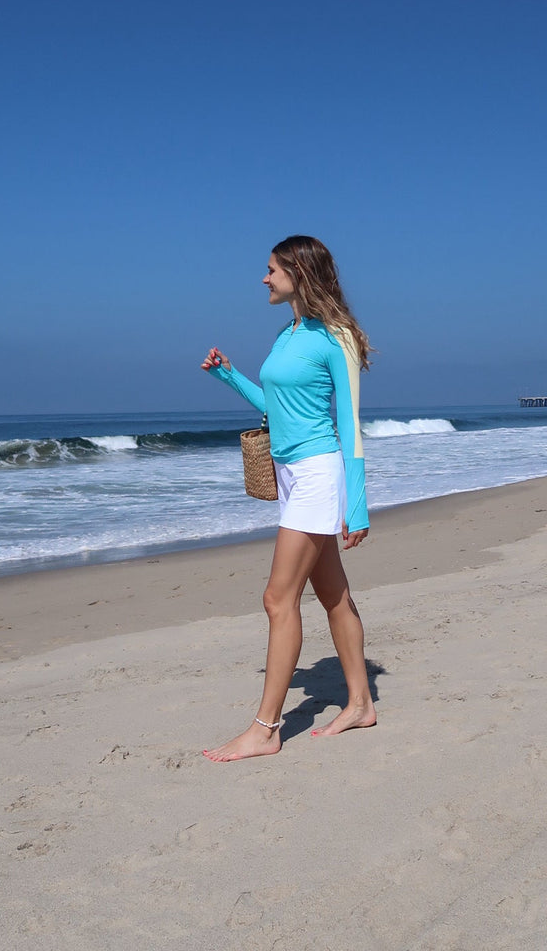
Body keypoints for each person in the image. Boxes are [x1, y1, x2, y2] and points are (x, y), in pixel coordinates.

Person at [200, 235, 376, 762]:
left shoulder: (336, 336)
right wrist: (229, 375)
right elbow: (276, 407)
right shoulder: (288, 332)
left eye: (272, 268)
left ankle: (265, 729)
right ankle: (361, 702)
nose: (264, 277)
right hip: (290, 476)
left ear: (299, 272)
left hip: (321, 475)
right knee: (334, 597)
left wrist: (357, 503)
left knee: (278, 600)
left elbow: (350, 423)